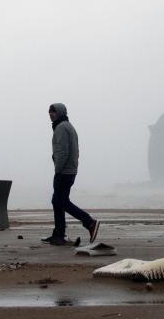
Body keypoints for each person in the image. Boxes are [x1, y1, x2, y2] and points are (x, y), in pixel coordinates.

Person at [42, 103, 99, 246]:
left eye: (53, 112)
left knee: (60, 201)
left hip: (64, 171)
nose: (51, 114)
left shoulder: (61, 128)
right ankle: (59, 234)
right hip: (70, 170)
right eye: (49, 112)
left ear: (60, 113)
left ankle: (89, 222)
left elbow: (62, 152)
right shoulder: (68, 126)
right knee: (58, 201)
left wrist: (58, 169)